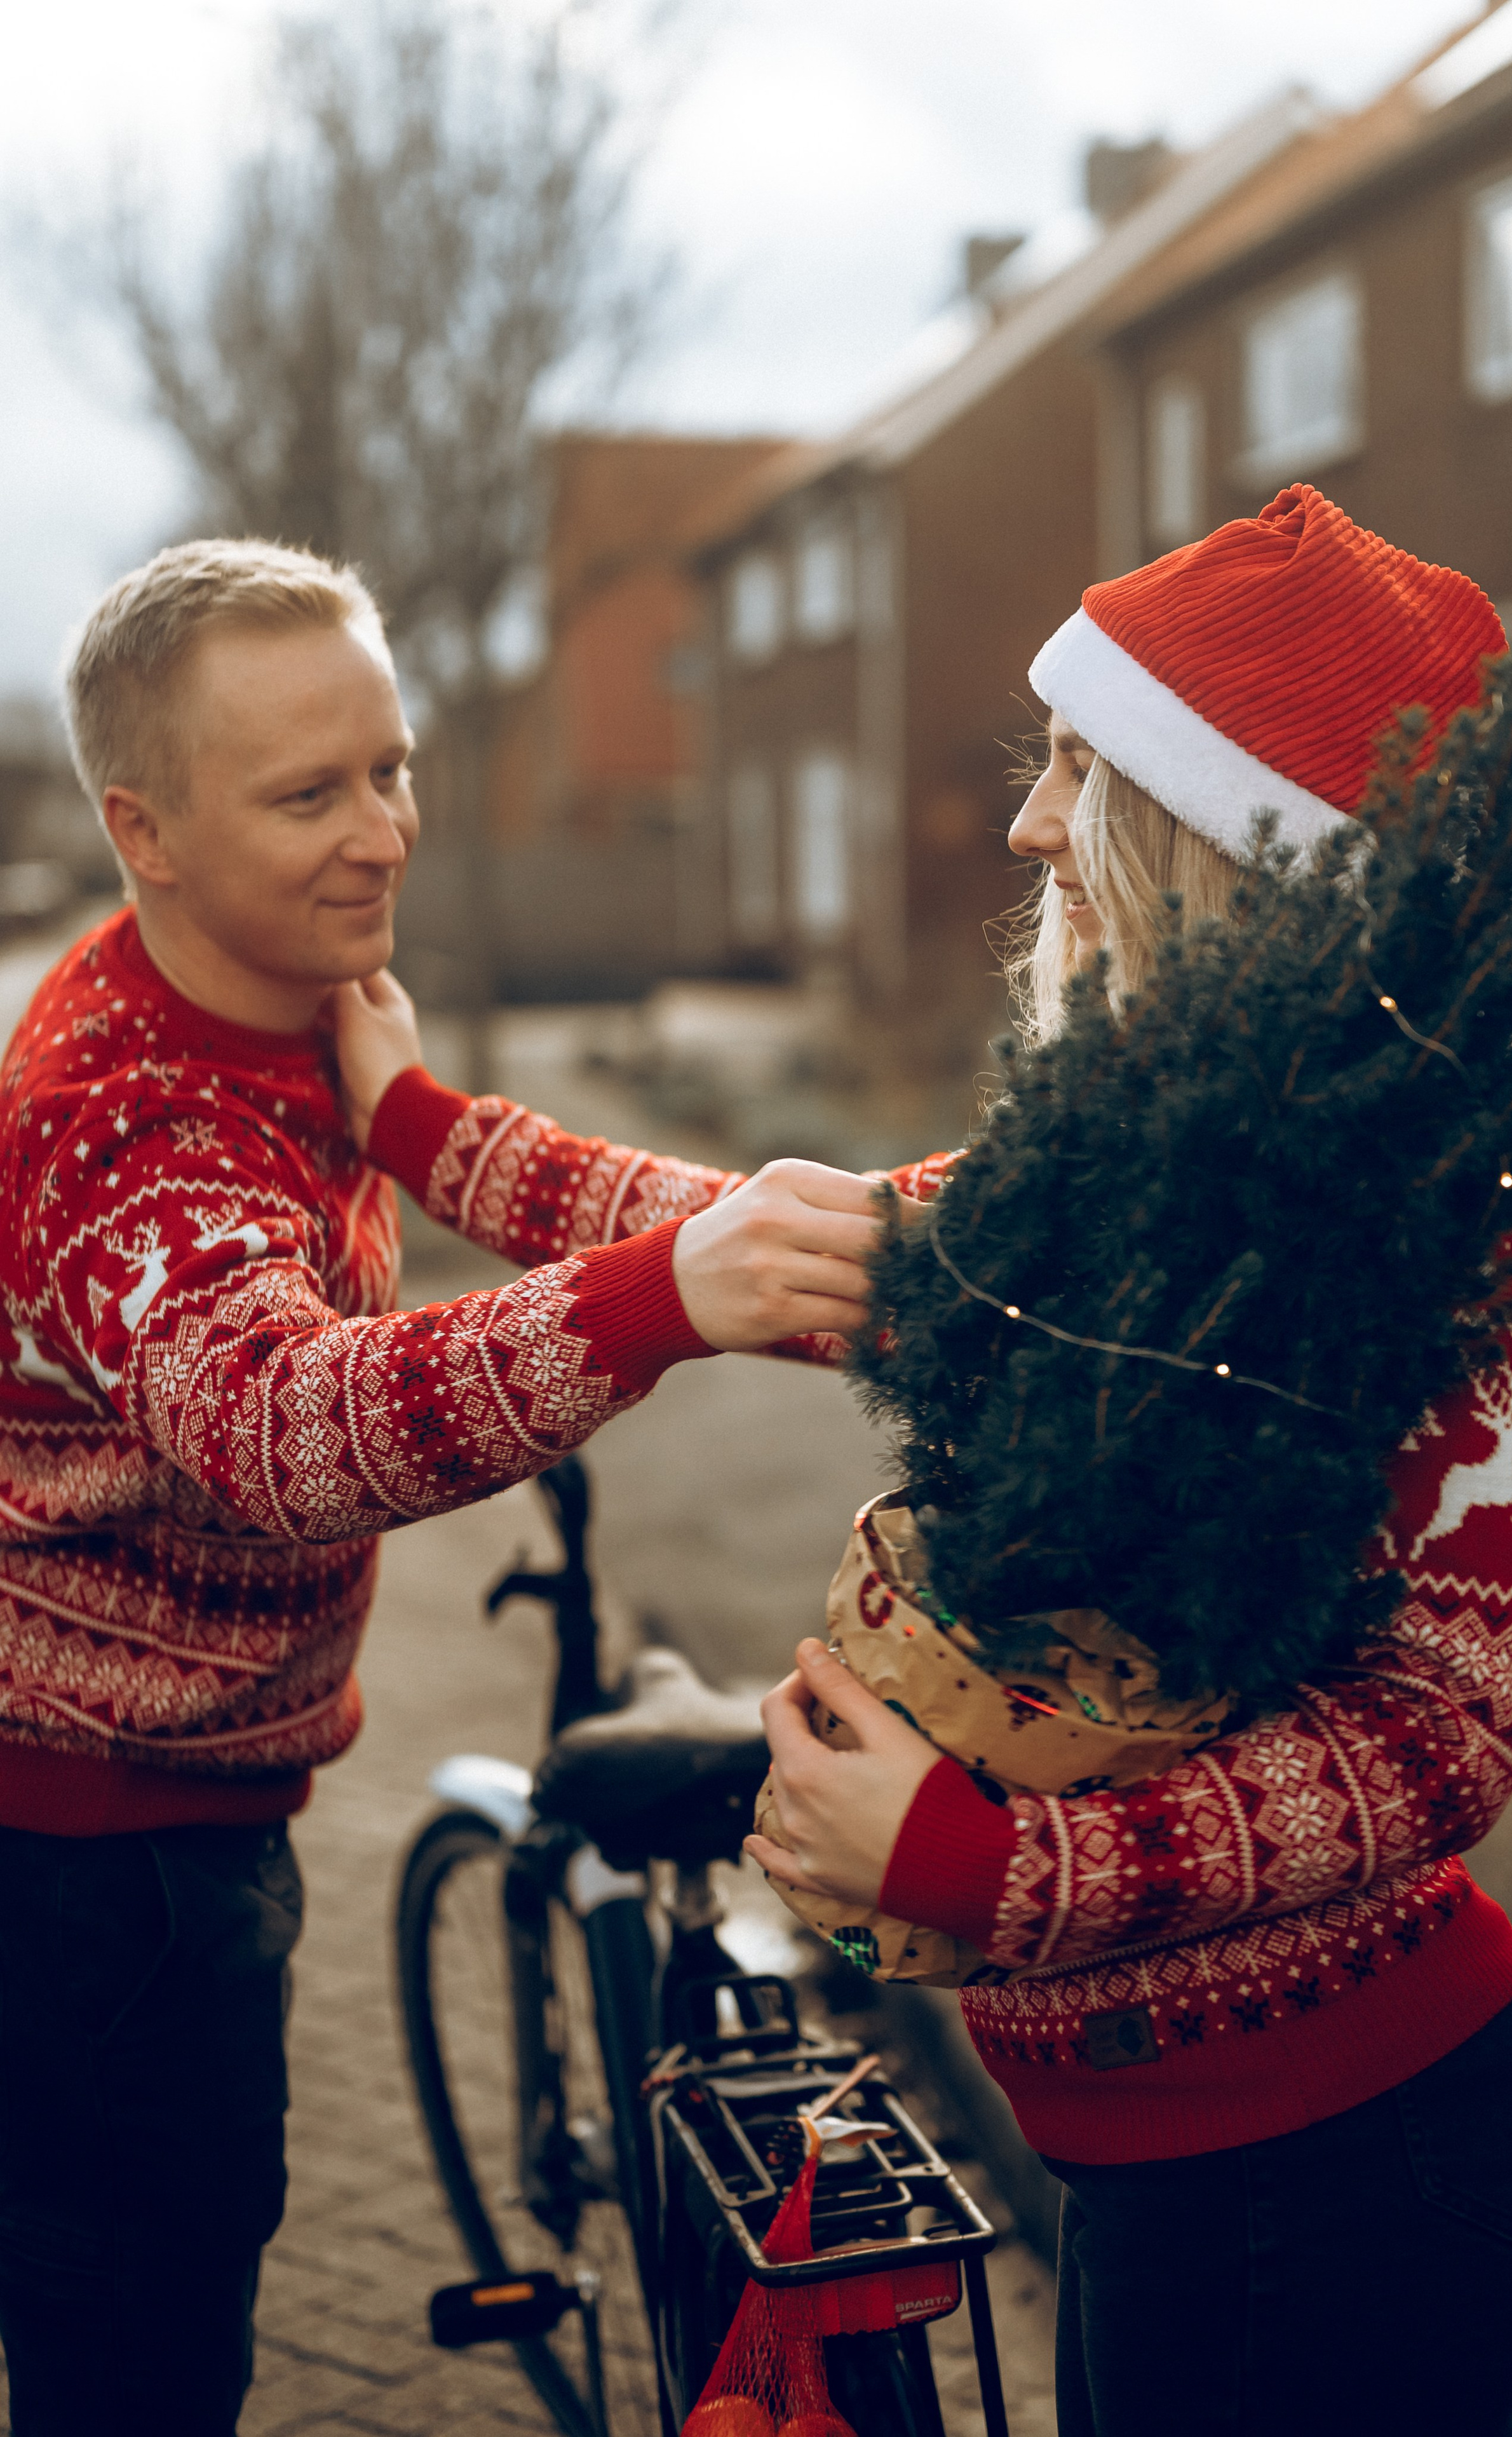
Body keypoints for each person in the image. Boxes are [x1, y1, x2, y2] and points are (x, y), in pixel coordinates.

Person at [0, 538, 899, 2437]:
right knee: (138, 2351)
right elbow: (281, 1426)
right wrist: (671, 1300)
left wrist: (863, 1240)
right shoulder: (124, 1112)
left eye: (392, 767)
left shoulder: (292, 1007)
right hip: (92, 1862)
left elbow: (672, 1221)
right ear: (142, 828)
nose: (381, 831)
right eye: (308, 792)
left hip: (184, 1807)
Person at [741, 489, 1512, 2436]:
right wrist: (415, 1114)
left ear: (1222, 828)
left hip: (1357, 2165)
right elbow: (789, 1239)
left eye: (1078, 767)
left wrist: (988, 1862)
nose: (1030, 827)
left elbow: (1443, 1730)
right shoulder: (1128, 1171)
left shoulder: (1461, 1220)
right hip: (1152, 2159)